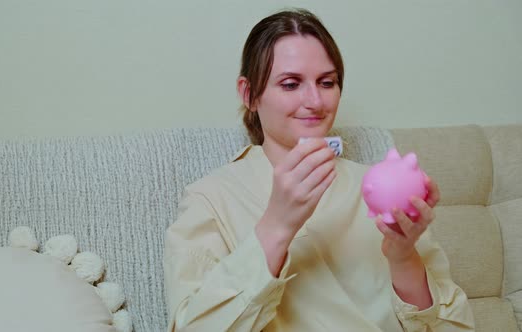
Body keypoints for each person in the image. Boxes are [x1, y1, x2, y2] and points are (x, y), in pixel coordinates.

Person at [164, 8, 474, 331]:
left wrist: (403, 256)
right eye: (290, 84)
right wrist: (278, 226)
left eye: (327, 82)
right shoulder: (209, 200)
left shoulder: (375, 188)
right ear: (249, 94)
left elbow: (454, 327)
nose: (314, 100)